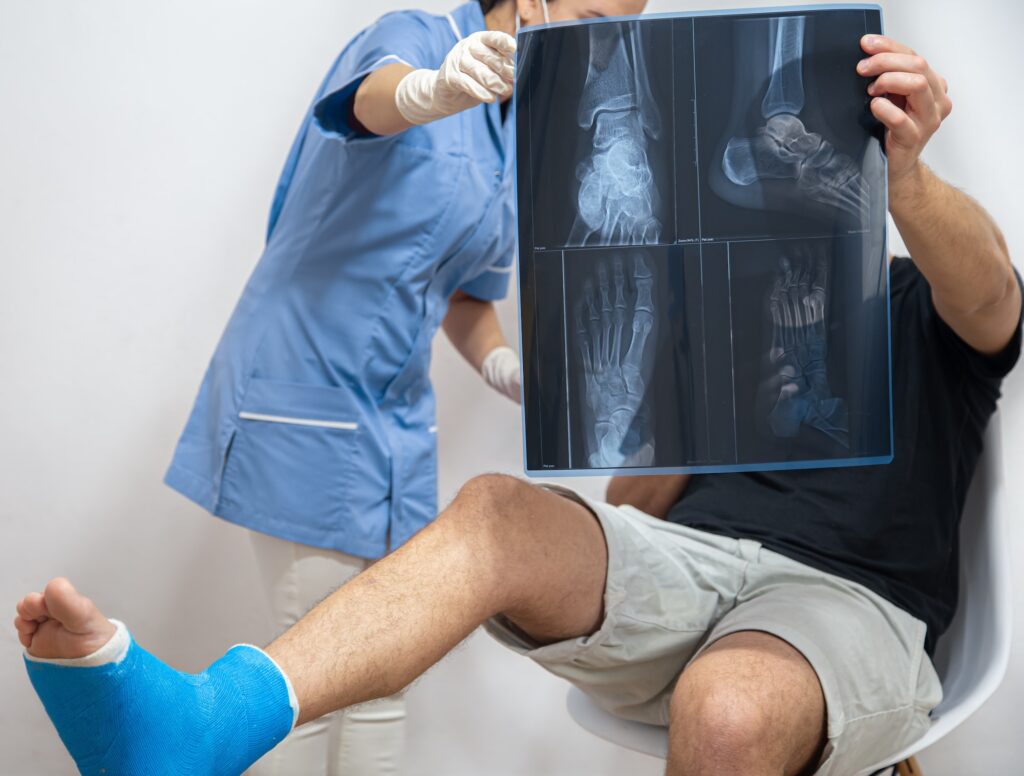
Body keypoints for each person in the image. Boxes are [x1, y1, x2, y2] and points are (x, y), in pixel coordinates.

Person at [16, 32, 1022, 776]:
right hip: (690, 573)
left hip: (845, 599)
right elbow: (632, 509)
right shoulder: (718, 313)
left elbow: (989, 289)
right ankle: (199, 727)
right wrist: (699, 399)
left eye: (812, 152)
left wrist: (908, 182)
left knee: (727, 706)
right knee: (498, 508)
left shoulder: (923, 295)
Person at [159, 1, 644, 773]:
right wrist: (432, 91)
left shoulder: (518, 126)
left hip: (395, 427)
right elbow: (368, 101)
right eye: (593, 15)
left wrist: (499, 364)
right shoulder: (417, 42)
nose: (603, 45)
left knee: (384, 678)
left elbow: (463, 293)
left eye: (620, 29)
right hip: (303, 395)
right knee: (303, 690)